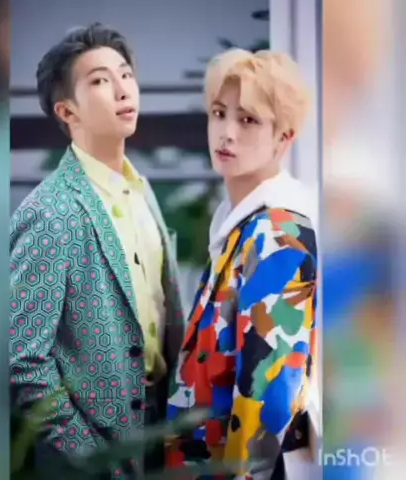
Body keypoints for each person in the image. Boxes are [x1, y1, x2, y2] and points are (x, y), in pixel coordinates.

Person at [9, 23, 185, 478]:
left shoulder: (142, 190)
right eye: (100, 81)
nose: (123, 89)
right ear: (68, 111)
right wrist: (88, 455)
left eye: (125, 75)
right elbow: (22, 358)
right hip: (92, 453)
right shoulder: (49, 212)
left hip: (161, 433)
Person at [166, 49, 318, 479]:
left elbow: (269, 395)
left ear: (284, 138)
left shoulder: (279, 233)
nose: (226, 133)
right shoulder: (240, 225)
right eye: (219, 113)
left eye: (248, 119)